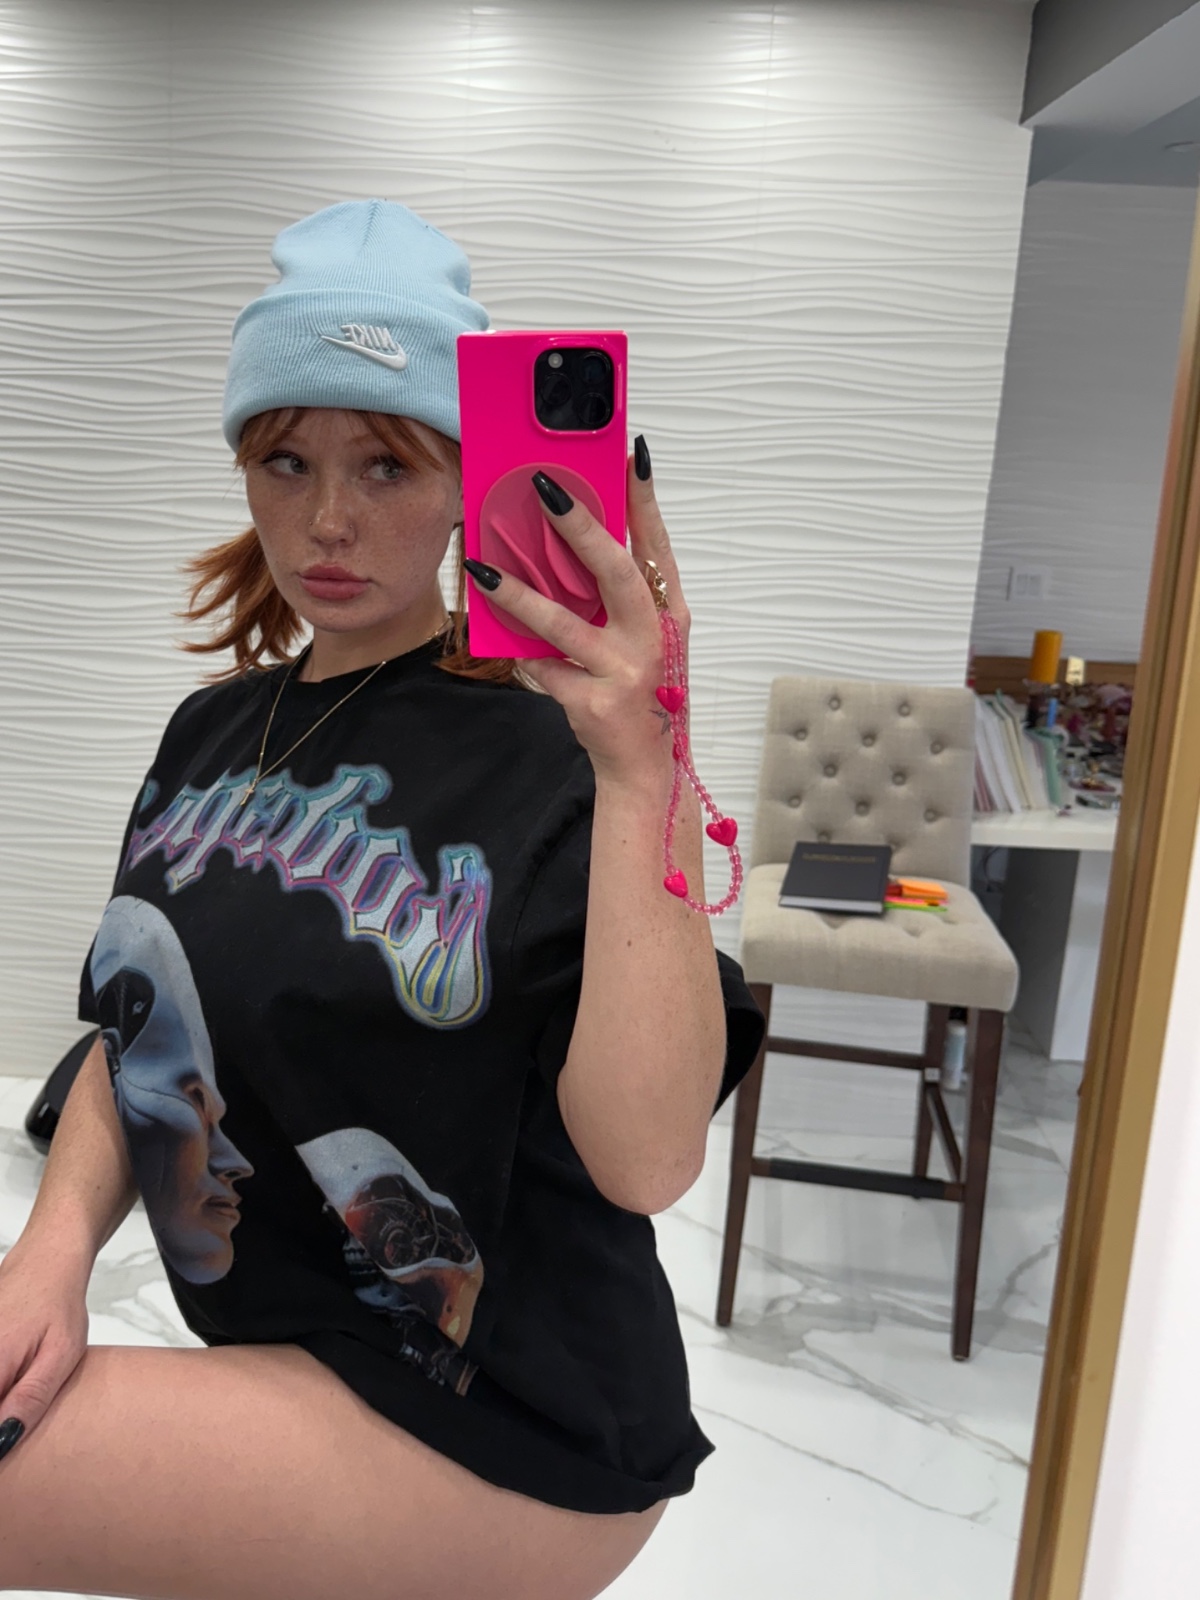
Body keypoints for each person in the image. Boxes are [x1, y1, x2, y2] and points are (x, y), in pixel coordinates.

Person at [0, 199, 764, 1600]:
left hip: (509, 1408)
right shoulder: (210, 731)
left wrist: (644, 762)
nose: (329, 520)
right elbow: (140, 1029)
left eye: (388, 464)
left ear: (473, 478)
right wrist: (47, 1254)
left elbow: (649, 1161)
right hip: (289, 1349)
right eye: (286, 460)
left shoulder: (556, 750)